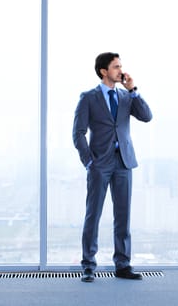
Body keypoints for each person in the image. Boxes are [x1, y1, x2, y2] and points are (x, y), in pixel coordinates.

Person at [72, 52, 152, 282]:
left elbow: (147, 116)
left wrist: (133, 90)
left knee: (123, 216)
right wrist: (89, 161)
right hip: (100, 163)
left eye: (121, 66)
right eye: (116, 67)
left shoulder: (127, 97)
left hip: (124, 162)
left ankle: (123, 265)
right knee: (93, 214)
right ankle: (88, 265)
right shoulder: (88, 98)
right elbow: (78, 133)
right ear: (103, 71)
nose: (121, 70)